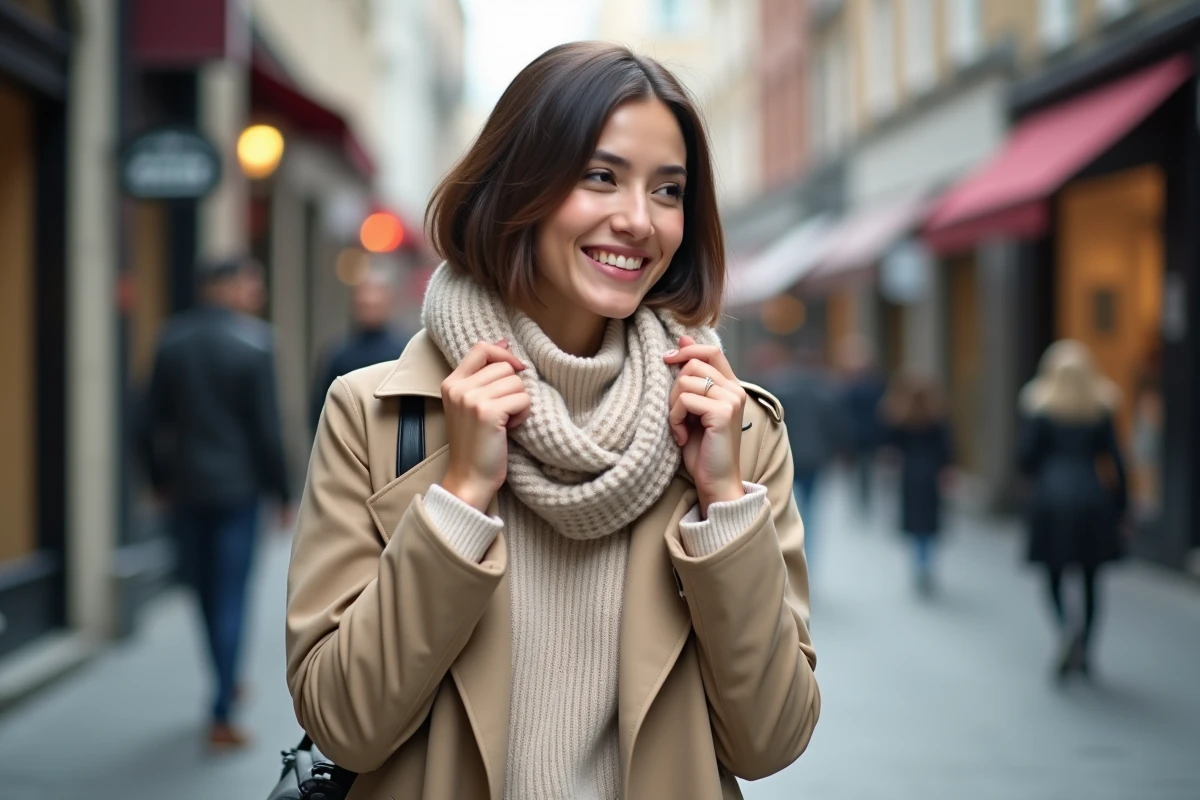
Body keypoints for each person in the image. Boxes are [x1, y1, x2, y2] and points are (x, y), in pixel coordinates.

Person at [286, 42, 818, 799]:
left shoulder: (733, 430)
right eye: (600, 177)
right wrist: (461, 497)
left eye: (669, 191)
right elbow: (344, 722)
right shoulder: (376, 415)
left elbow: (770, 739)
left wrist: (726, 505)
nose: (639, 220)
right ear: (517, 187)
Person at [138, 257, 291, 749]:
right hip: (239, 491)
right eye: (251, 284)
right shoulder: (256, 344)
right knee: (231, 595)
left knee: (206, 594)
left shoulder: (172, 341)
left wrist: (159, 480)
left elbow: (144, 421)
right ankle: (223, 704)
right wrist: (283, 493)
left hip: (187, 489)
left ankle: (224, 682)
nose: (257, 293)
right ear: (224, 287)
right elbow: (269, 431)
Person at [1019, 340, 1127, 682]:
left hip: (1052, 499)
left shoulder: (1041, 409)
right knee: (1092, 579)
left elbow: (1024, 459)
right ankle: (1086, 647)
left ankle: (1067, 629)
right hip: (1093, 497)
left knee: (1053, 573)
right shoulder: (1099, 409)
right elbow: (1117, 461)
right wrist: (1122, 507)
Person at [758, 340, 847, 564]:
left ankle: (787, 552)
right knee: (811, 511)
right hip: (816, 459)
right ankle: (806, 557)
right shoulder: (826, 390)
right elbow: (836, 427)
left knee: (784, 507)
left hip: (788, 456)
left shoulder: (781, 387)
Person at [309, 266, 409, 433]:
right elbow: (321, 411)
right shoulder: (337, 354)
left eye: (376, 297)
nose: (370, 301)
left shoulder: (404, 352)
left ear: (389, 301)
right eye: (364, 300)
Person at [880, 373, 953, 596]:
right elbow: (946, 450)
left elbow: (890, 447)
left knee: (915, 522)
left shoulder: (900, 418)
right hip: (930, 474)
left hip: (910, 475)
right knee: (928, 522)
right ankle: (926, 562)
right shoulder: (937, 418)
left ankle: (919, 563)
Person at [837, 335, 887, 517]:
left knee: (865, 469)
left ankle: (863, 500)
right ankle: (860, 501)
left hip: (866, 434)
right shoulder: (847, 384)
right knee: (858, 471)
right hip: (854, 435)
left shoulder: (873, 383)